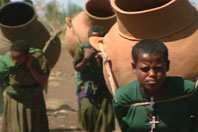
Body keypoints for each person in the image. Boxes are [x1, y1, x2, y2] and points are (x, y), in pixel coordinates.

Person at [113, 39, 198, 132]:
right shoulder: (123, 99)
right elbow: (123, 127)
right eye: (145, 69)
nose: (152, 74)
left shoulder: (186, 92)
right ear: (134, 68)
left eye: (158, 68)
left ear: (167, 66)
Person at [0, 40, 50, 132]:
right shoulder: (7, 62)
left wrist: (30, 67)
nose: (15, 61)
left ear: (27, 56)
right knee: (14, 128)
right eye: (13, 57)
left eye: (18, 58)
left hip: (33, 98)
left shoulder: (39, 59)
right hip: (15, 98)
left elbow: (43, 80)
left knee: (35, 127)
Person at [73, 26, 115, 132]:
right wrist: (86, 58)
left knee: (106, 120)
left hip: (105, 89)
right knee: (88, 114)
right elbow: (77, 68)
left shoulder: (109, 48)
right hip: (88, 88)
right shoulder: (83, 48)